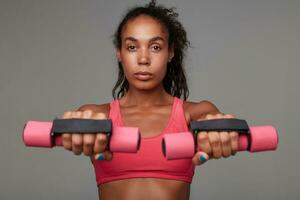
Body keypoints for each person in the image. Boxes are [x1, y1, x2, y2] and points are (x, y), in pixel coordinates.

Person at [61, 1, 239, 199]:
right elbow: (81, 121)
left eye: (155, 47)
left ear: (170, 52)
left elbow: (213, 119)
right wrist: (76, 124)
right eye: (131, 47)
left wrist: (221, 128)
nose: (143, 59)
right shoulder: (98, 116)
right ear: (119, 53)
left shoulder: (193, 114)